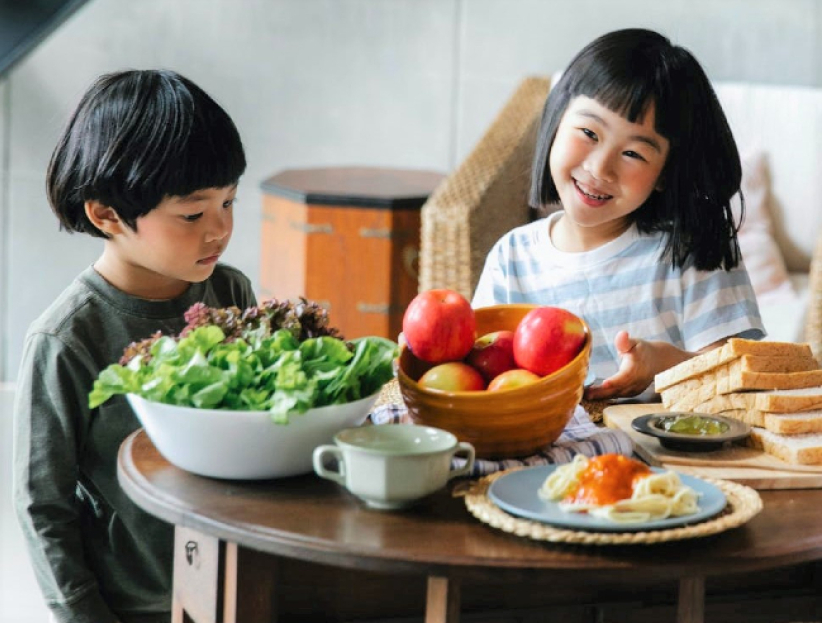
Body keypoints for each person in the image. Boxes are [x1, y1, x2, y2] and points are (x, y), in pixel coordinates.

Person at [13, 69, 256, 623]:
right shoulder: (67, 338)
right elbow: (42, 506)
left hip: (238, 586)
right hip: (137, 606)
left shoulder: (231, 292)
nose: (219, 229)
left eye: (230, 202)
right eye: (193, 213)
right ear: (107, 214)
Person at [472, 28, 765, 400]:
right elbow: (480, 378)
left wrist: (667, 365)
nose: (601, 168)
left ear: (665, 174)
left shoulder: (694, 250)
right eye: (589, 133)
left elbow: (741, 382)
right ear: (557, 119)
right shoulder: (511, 259)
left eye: (633, 154)